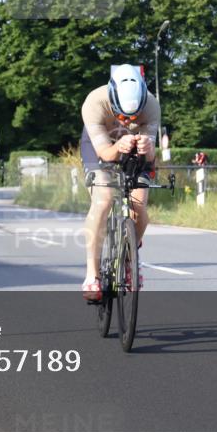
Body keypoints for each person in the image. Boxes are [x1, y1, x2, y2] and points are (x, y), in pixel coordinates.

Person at [79, 64, 161, 301]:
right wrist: (117, 147)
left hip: (133, 150)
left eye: (134, 117)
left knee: (138, 204)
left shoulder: (152, 105)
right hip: (100, 148)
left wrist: (148, 148)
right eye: (123, 116)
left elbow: (150, 158)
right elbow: (105, 153)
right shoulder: (94, 102)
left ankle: (129, 257)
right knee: (103, 200)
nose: (128, 121)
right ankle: (92, 275)